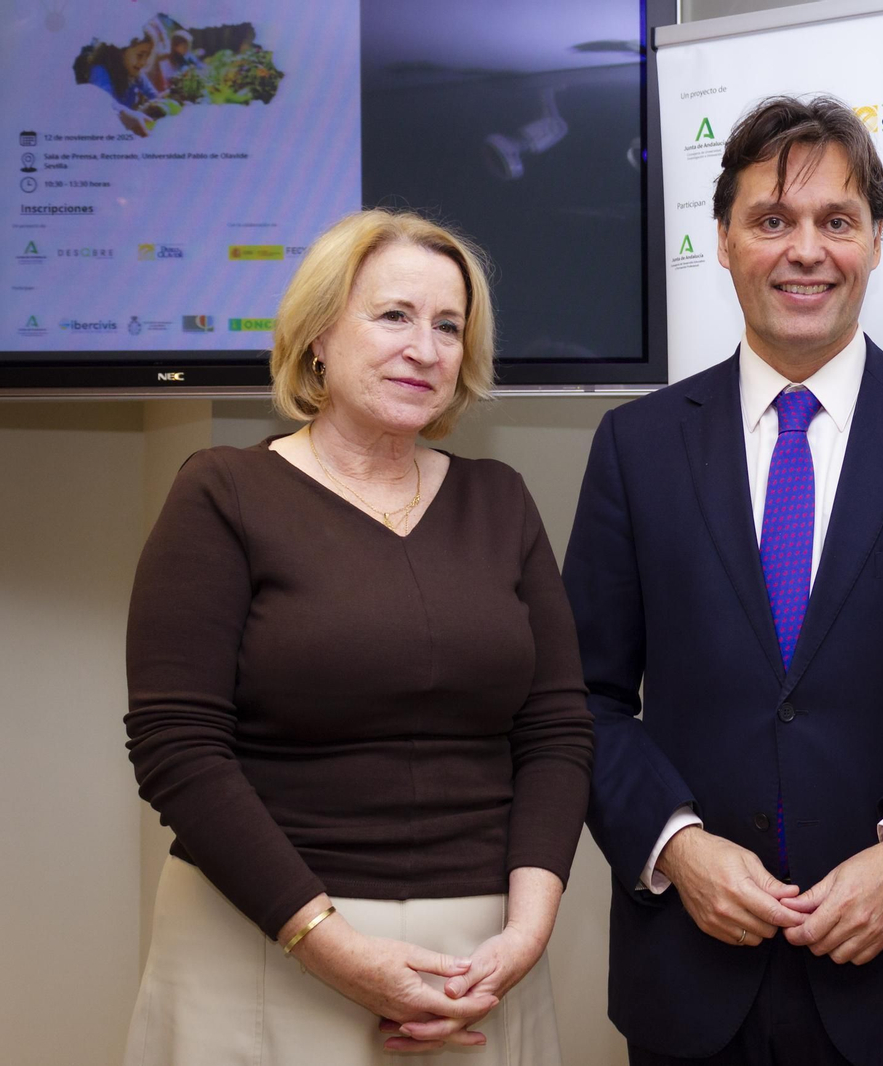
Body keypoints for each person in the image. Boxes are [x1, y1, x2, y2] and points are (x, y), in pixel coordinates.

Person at [563, 95, 883, 1066]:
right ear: (725, 242)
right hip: (690, 978)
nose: (804, 250)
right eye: (771, 221)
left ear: (874, 244)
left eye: (836, 221)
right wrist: (674, 844)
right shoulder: (635, 446)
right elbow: (584, 697)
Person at [123, 209, 593, 1065]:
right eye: (394, 316)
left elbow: (557, 729)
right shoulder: (223, 493)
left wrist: (526, 933)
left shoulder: (501, 501)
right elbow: (177, 748)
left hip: (476, 970)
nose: (426, 348)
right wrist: (332, 947)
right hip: (265, 941)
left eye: (450, 327)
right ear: (316, 339)